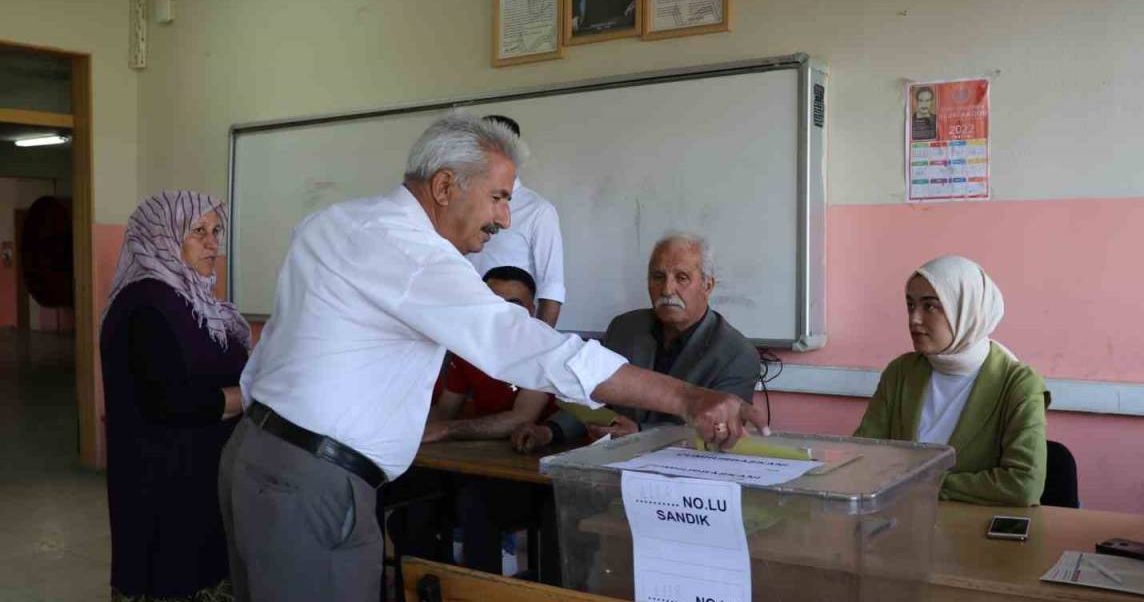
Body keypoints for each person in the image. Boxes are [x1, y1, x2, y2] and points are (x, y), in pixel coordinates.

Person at [217, 111, 763, 602]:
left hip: (256, 455)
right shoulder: (414, 256)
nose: (505, 219)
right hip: (315, 483)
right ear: (445, 185)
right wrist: (688, 397)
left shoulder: (336, 221)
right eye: (499, 197)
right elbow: (522, 344)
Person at [100, 191, 252, 601]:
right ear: (161, 237)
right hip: (164, 484)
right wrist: (253, 393)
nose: (212, 243)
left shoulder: (192, 299)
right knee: (169, 579)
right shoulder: (146, 305)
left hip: (199, 478)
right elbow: (172, 403)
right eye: (197, 231)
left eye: (216, 231)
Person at [514, 233, 758, 450]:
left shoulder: (736, 353)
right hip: (613, 465)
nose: (667, 289)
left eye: (682, 277)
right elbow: (592, 397)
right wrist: (550, 431)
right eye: (658, 277)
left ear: (708, 285)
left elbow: (721, 432)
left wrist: (640, 433)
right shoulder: (625, 329)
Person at [854, 255, 1048, 506]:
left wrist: (920, 482)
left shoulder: (1018, 383)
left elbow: (1023, 485)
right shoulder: (901, 372)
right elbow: (861, 457)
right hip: (901, 523)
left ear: (966, 310)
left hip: (975, 533)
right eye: (910, 305)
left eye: (930, 306)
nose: (914, 319)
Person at [423, 266, 556, 442]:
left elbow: (522, 417)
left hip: (541, 448)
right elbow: (445, 411)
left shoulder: (543, 349)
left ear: (531, 310)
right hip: (482, 446)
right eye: (494, 303)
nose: (502, 312)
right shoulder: (467, 348)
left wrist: (448, 429)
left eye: (513, 305)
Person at [466, 115, 565, 326]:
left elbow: (551, 288)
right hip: (463, 326)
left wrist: (537, 345)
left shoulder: (538, 211)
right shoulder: (463, 203)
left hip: (510, 330)